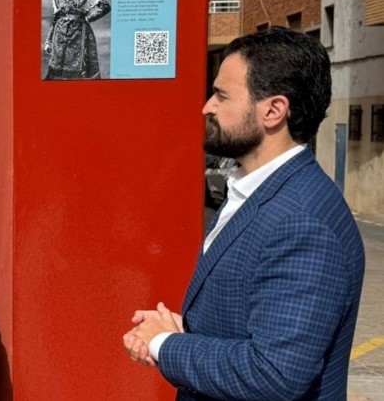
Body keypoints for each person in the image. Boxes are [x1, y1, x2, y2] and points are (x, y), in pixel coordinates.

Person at [123, 27, 365, 400]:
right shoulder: (254, 188)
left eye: (221, 95)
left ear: (273, 111)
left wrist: (165, 344)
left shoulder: (302, 222)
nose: (207, 106)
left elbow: (274, 374)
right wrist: (185, 334)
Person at [43, 0, 111, 80]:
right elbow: (55, 19)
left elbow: (105, 6)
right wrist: (48, 41)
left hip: (81, 37)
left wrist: (87, 18)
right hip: (59, 39)